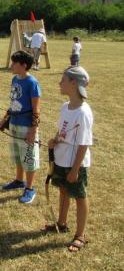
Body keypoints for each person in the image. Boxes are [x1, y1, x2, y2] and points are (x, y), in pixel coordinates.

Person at [44, 66, 93, 252]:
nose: (59, 83)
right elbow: (63, 131)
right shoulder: (65, 107)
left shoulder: (83, 112)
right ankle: (62, 223)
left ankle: (80, 235)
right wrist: (54, 140)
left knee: (80, 196)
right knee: (63, 190)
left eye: (63, 80)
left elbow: (84, 144)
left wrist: (75, 169)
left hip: (75, 165)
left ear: (73, 84)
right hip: (61, 160)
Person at [0, 51, 41, 204]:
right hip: (14, 123)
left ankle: (30, 188)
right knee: (17, 155)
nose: (11, 66)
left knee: (28, 157)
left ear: (23, 65)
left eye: (14, 63)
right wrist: (5, 119)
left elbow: (36, 109)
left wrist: (33, 130)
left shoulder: (32, 83)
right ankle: (19, 180)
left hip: (26, 126)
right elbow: (13, 103)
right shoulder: (14, 79)